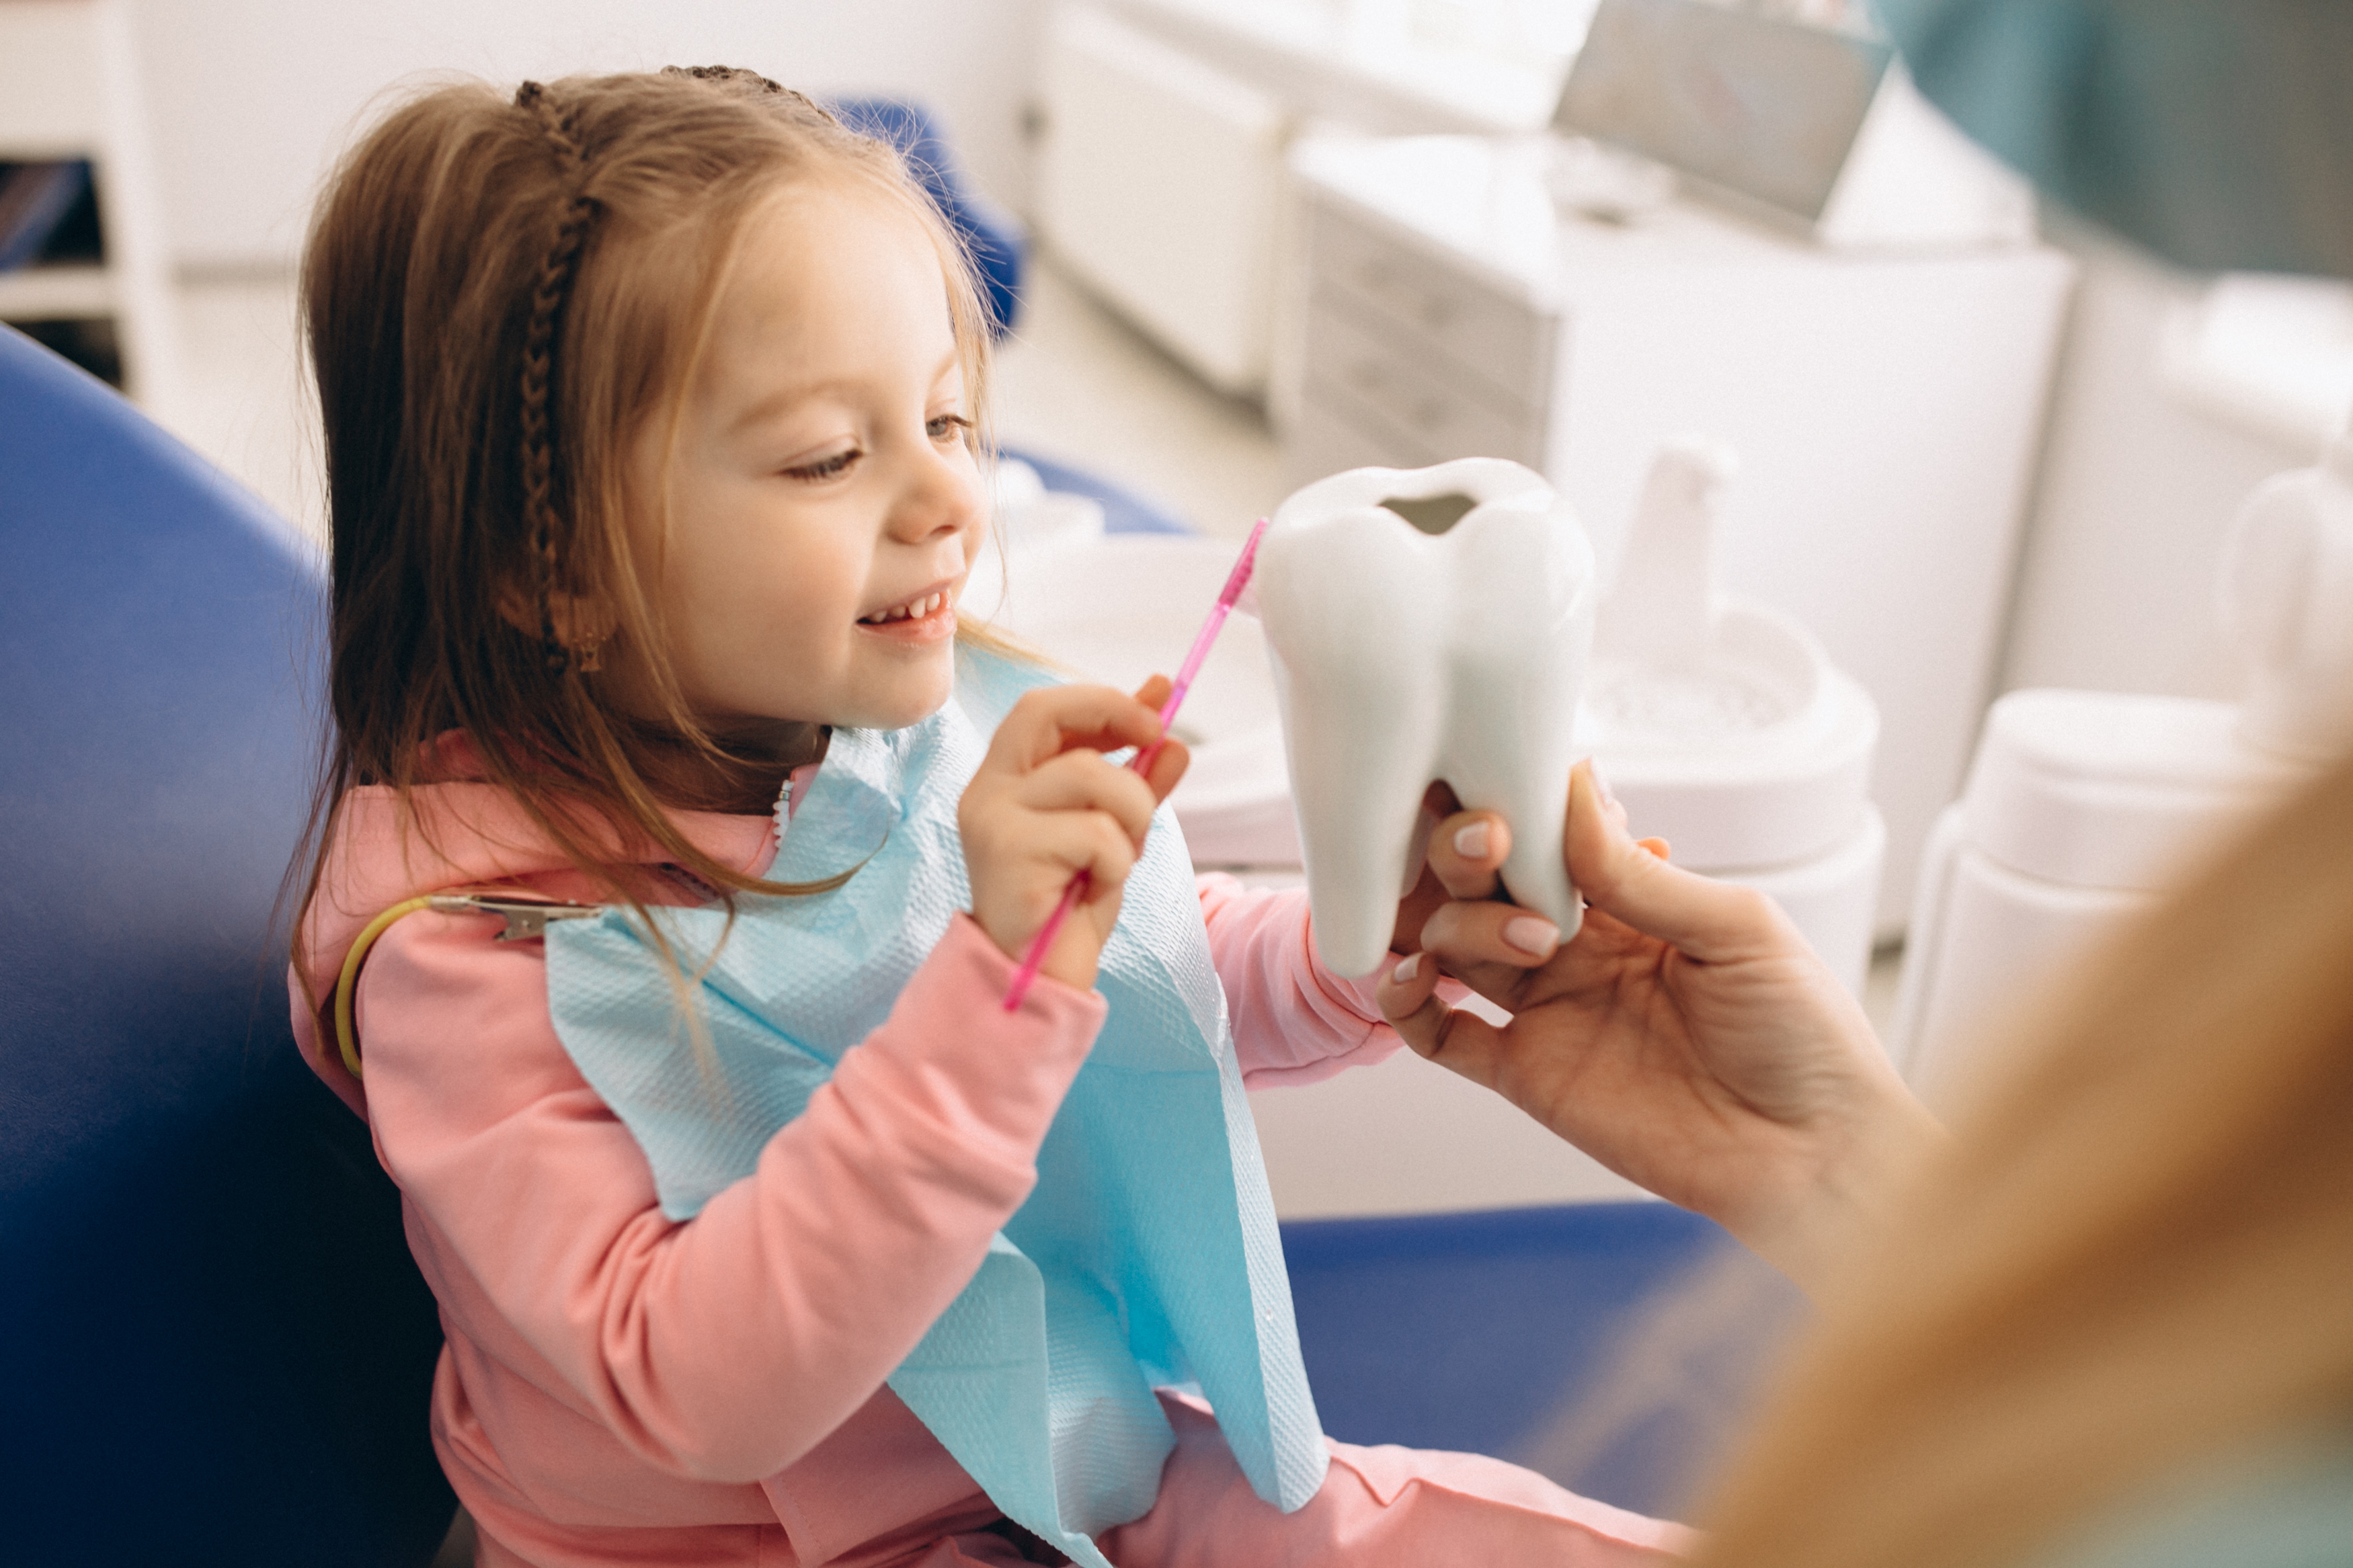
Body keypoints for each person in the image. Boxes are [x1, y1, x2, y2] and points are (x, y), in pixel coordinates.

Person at [286, 67, 1684, 1568]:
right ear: (543, 567)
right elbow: (691, 1382)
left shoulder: (898, 727)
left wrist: (1363, 951)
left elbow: (1153, 955)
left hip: (1034, 1448)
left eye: (949, 417)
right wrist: (994, 977)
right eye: (831, 454)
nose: (948, 495)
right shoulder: (462, 954)